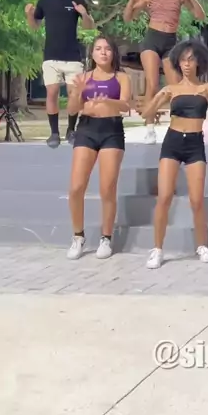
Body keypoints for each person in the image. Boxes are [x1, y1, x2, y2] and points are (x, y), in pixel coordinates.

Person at [140, 39, 208, 269]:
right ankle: (157, 249)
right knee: (164, 197)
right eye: (183, 60)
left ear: (199, 63)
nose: (186, 64)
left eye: (191, 59)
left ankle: (202, 246)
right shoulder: (171, 89)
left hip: (195, 144)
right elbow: (146, 113)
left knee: (197, 200)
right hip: (172, 142)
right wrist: (158, 97)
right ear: (177, 62)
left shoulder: (207, 88)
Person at [123, 0, 205, 144]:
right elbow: (128, 18)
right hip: (152, 40)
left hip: (171, 42)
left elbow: (200, 16)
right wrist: (131, 1)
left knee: (175, 86)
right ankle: (149, 128)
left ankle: (179, 127)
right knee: (152, 84)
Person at [66, 35, 132, 261]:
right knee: (76, 187)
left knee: (107, 188)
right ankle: (78, 236)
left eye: (107, 49)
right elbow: (72, 109)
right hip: (87, 129)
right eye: (98, 48)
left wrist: (107, 101)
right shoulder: (82, 77)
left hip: (111, 131)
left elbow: (125, 106)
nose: (103, 52)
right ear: (92, 53)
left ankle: (106, 237)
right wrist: (77, 92)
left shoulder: (121, 77)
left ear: (113, 53)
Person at [25, 0, 95, 148]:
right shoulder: (44, 2)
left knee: (75, 95)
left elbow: (89, 27)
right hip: (51, 56)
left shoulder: (76, 0)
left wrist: (84, 14)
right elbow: (34, 26)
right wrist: (29, 14)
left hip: (73, 56)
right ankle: (54, 133)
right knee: (52, 92)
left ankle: (71, 130)